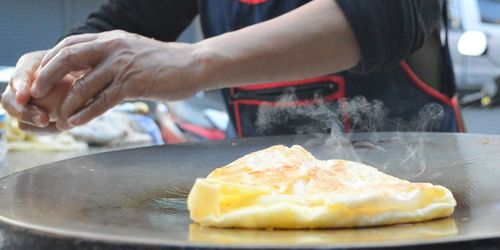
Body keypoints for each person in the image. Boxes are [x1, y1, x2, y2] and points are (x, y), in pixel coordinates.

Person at [1, 0, 464, 137]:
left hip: (415, 199)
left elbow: (383, 17)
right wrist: (52, 83)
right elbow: (122, 22)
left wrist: (193, 62)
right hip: (265, 199)